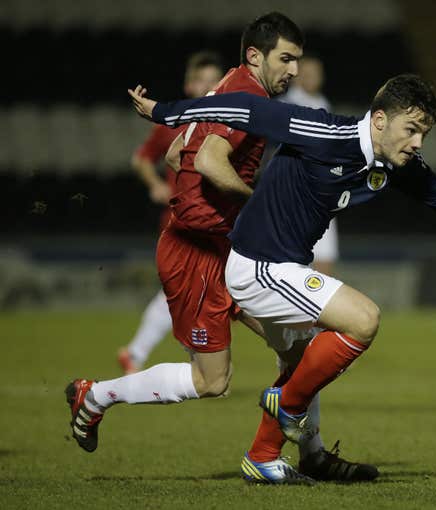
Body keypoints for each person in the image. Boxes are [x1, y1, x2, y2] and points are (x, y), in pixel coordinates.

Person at [129, 72, 436, 482]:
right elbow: (245, 108)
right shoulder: (323, 132)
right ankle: (288, 407)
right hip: (258, 266)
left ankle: (270, 457)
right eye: (410, 130)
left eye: (424, 133)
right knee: (362, 319)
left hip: (287, 268)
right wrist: (165, 111)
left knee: (303, 362)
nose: (417, 142)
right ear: (379, 120)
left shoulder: (395, 163)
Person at [67, 12, 375, 486]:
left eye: (297, 60)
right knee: (212, 381)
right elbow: (210, 160)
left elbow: (176, 154)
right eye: (286, 59)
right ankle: (95, 396)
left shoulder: (230, 88)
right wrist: (256, 203)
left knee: (299, 347)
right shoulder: (247, 95)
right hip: (195, 252)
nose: (293, 70)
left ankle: (302, 454)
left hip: (230, 248)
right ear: (255, 56)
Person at [118, 51, 225, 374]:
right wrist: (155, 184)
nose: (209, 87)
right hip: (185, 221)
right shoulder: (174, 122)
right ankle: (198, 363)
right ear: (189, 85)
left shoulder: (224, 121)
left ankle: (138, 353)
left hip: (213, 221)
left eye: (214, 81)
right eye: (202, 81)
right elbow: (140, 158)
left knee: (187, 293)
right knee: (196, 292)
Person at [280, 55, 338, 276]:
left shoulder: (322, 103)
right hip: (296, 192)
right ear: (296, 76)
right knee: (291, 263)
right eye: (308, 73)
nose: (313, 77)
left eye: (317, 73)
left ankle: (314, 310)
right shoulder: (287, 105)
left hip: (321, 192)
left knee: (325, 260)